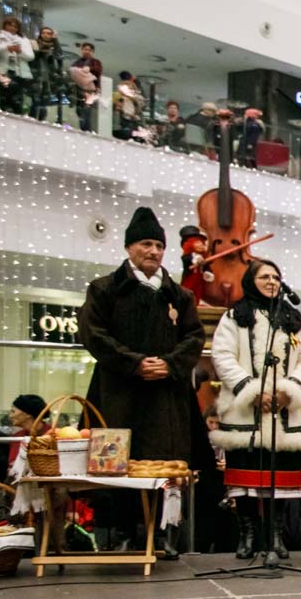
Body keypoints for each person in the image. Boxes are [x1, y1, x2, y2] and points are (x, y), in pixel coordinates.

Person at [76, 206, 206, 555]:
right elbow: (93, 334)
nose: (154, 251)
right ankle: (116, 534)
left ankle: (161, 534)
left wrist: (171, 364)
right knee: (115, 464)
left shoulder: (180, 296)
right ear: (129, 248)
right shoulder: (104, 289)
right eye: (146, 244)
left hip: (167, 397)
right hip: (118, 395)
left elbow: (194, 337)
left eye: (159, 246)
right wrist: (135, 364)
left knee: (163, 464)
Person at [210, 258, 301, 560]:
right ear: (250, 281)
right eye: (264, 277)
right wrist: (252, 390)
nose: (271, 281)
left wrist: (289, 389)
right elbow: (222, 356)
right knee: (245, 473)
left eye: (276, 276)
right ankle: (247, 533)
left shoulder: (296, 319)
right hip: (245, 409)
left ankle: (274, 534)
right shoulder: (234, 317)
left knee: (281, 476)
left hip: (286, 409)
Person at [0, 16, 34, 114]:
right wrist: (7, 48)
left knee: (17, 99)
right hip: (2, 71)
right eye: (10, 25)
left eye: (15, 26)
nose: (12, 28)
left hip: (20, 73)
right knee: (3, 97)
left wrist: (20, 51)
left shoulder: (24, 40)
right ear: (5, 25)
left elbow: (30, 56)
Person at [27, 25, 66, 122]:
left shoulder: (54, 47)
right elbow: (32, 57)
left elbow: (60, 56)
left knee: (45, 102)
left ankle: (41, 122)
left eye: (49, 33)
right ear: (40, 34)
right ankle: (31, 120)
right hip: (35, 76)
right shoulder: (34, 44)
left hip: (49, 78)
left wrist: (56, 41)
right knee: (35, 100)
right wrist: (41, 49)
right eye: (43, 33)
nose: (46, 35)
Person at [68, 41, 101, 133]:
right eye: (85, 49)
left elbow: (98, 71)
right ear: (82, 50)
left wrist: (89, 69)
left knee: (86, 111)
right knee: (79, 111)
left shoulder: (95, 62)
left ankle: (88, 131)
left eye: (89, 50)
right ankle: (83, 130)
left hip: (90, 90)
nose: (87, 51)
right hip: (78, 89)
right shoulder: (77, 62)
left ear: (92, 52)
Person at [112, 71, 145, 139]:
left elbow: (140, 105)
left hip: (130, 122)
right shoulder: (119, 96)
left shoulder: (136, 97)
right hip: (124, 122)